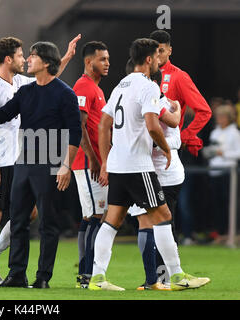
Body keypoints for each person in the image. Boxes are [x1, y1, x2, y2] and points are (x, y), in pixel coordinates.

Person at [91, 38, 210, 291]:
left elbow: (103, 125)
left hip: (117, 165)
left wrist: (105, 161)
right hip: (138, 165)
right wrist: (166, 150)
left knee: (112, 220)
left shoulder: (120, 85)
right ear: (148, 60)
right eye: (157, 57)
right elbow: (153, 124)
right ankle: (177, 276)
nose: (159, 62)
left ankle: (97, 278)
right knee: (164, 215)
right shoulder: (148, 87)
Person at [0, 34, 80, 286]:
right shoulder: (26, 90)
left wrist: (65, 165)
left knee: (46, 222)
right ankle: (17, 274)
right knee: (18, 219)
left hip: (50, 159)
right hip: (24, 161)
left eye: (33, 56)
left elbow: (75, 132)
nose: (28, 59)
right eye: (25, 55)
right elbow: (1, 116)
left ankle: (42, 277)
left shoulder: (65, 94)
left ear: (46, 62)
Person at [124, 63, 183, 290]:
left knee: (159, 223)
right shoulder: (150, 103)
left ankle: (163, 277)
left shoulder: (161, 103)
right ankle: (155, 278)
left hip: (164, 175)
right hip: (142, 172)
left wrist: (159, 146)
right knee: (149, 223)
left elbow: (175, 140)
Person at [70, 41, 109, 288]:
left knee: (89, 217)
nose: (107, 63)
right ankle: (88, 276)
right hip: (87, 163)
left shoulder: (96, 88)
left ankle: (85, 275)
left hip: (91, 161)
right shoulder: (84, 86)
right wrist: (94, 159)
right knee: (97, 216)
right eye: (102, 59)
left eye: (107, 59)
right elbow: (79, 124)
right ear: (88, 61)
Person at [149, 30, 212, 157]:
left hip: (167, 146)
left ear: (169, 51)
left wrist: (184, 137)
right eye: (154, 51)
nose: (157, 55)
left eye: (161, 51)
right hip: (144, 146)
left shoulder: (179, 76)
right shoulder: (142, 74)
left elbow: (204, 111)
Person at [203, 104, 240, 236]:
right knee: (215, 203)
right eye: (218, 116)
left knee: (228, 203)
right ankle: (218, 232)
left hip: (229, 172)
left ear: (229, 118)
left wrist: (222, 153)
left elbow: (238, 153)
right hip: (214, 171)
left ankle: (231, 232)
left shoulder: (234, 133)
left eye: (222, 116)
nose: (219, 119)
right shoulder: (215, 132)